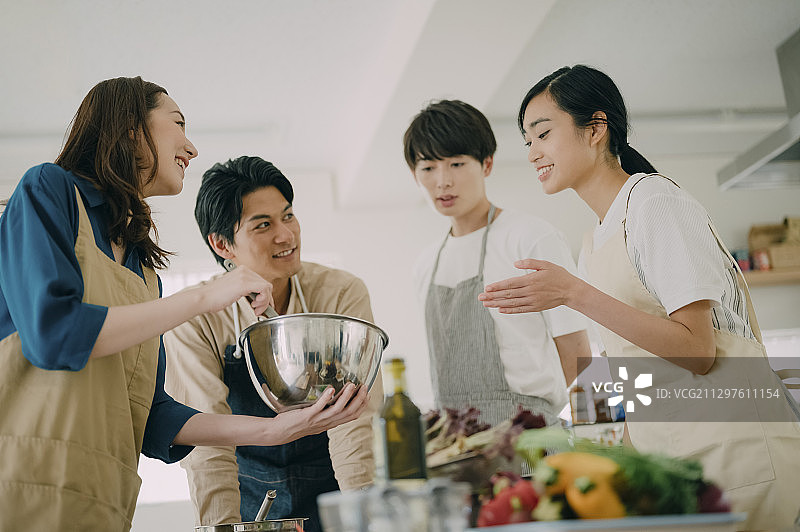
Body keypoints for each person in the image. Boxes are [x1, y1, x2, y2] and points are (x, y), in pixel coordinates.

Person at [0, 77, 368, 531]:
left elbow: (155, 416)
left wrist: (276, 430)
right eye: (178, 124)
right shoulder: (49, 189)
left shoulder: (142, 272)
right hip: (24, 484)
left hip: (103, 500)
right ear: (131, 127)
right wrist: (202, 297)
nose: (191, 148)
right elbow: (53, 332)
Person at [479, 64, 800, 529]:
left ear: (596, 128)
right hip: (673, 459)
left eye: (543, 134)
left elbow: (698, 349)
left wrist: (572, 292)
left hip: (736, 451)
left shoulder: (655, 203)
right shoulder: (595, 240)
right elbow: (626, 364)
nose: (533, 153)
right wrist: (608, 454)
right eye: (528, 141)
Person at [163, 156, 384, 531]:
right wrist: (222, 526)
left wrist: (363, 514)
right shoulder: (196, 318)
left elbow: (354, 418)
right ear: (222, 244)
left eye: (288, 216)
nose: (286, 235)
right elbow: (208, 444)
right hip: (248, 499)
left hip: (336, 486)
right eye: (263, 225)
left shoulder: (340, 292)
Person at [403, 99, 592, 428]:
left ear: (487, 164)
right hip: (453, 444)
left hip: (530, 437)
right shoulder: (426, 264)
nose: (443, 181)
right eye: (428, 168)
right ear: (414, 175)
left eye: (457, 164)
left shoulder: (530, 238)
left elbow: (578, 350)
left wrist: (598, 437)